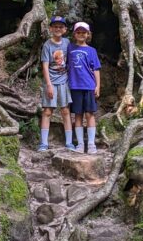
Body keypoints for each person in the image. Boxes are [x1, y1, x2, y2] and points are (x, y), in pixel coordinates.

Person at [38, 16, 75, 152]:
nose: (58, 29)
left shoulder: (67, 43)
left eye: (60, 27)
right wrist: (48, 85)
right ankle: (43, 143)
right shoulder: (47, 45)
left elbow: (70, 61)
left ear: (65, 29)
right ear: (51, 28)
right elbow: (45, 66)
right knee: (48, 111)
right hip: (51, 81)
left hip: (64, 81)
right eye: (55, 26)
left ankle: (69, 142)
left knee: (65, 110)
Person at [68, 21, 101, 154]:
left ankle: (91, 144)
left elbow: (96, 69)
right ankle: (80, 144)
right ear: (74, 34)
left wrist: (98, 85)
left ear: (88, 34)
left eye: (84, 32)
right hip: (75, 86)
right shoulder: (70, 48)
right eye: (78, 32)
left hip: (89, 86)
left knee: (89, 114)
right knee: (78, 115)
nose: (81, 34)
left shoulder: (92, 50)